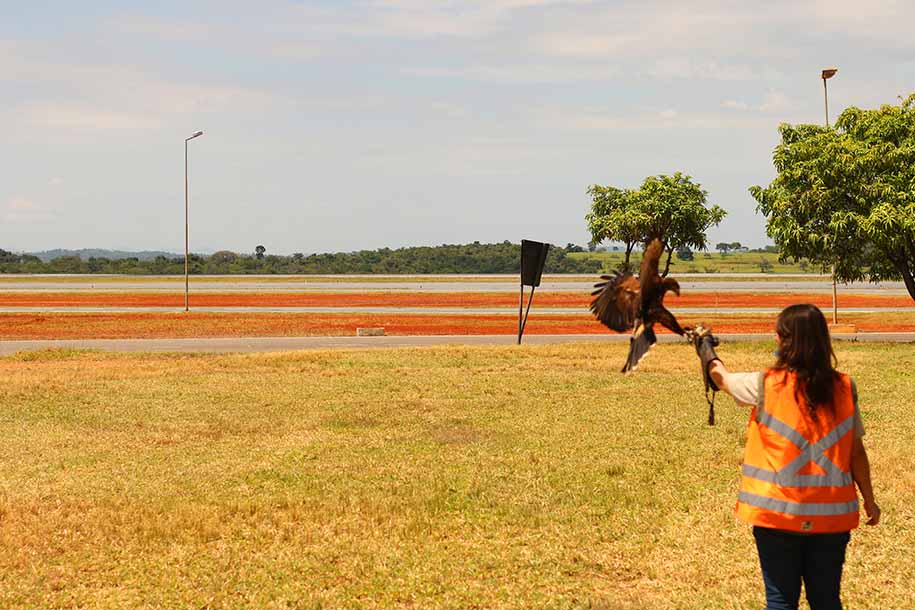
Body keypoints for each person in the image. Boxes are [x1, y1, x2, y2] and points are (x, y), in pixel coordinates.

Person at [693, 304, 880, 610]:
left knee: (780, 600)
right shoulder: (845, 387)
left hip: (776, 517)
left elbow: (721, 378)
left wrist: (706, 350)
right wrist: (870, 501)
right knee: (827, 600)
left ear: (783, 340)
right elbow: (856, 452)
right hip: (832, 521)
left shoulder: (764, 384)